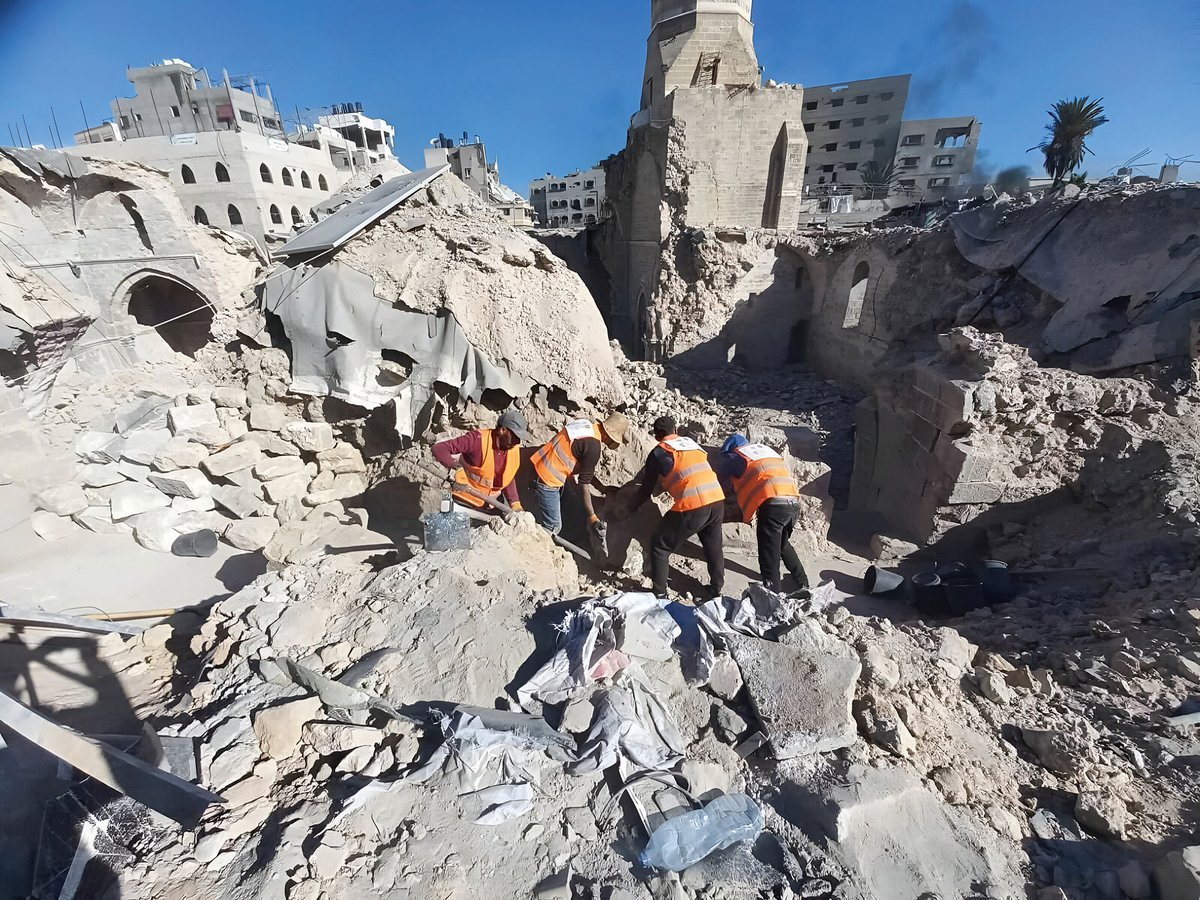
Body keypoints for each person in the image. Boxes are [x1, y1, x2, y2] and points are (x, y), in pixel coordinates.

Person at [616, 416, 725, 600]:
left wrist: (630, 507)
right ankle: (716, 589)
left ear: (658, 436)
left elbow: (645, 490)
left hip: (693, 505)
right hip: (716, 498)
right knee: (713, 545)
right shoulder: (691, 444)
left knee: (660, 545)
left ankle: (659, 593)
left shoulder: (659, 453)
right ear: (675, 430)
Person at [718, 434, 808, 592]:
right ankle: (803, 582)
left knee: (768, 556)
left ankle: (772, 597)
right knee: (782, 544)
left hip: (773, 505)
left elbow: (719, 473)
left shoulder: (737, 456)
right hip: (793, 502)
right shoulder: (766, 452)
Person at [530, 413, 630, 545]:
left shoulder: (585, 426)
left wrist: (602, 488)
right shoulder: (594, 447)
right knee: (554, 526)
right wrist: (592, 518)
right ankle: (534, 548)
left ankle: (571, 536)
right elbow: (584, 485)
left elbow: (585, 471)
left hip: (544, 463)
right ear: (607, 435)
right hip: (549, 479)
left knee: (574, 506)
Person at [432, 409, 530, 517]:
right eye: (515, 436)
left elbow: (508, 476)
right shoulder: (476, 440)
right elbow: (439, 449)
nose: (518, 442)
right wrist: (457, 469)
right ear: (502, 430)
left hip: (493, 503)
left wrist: (515, 502)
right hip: (466, 500)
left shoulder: (512, 447)